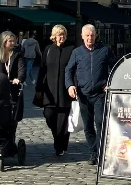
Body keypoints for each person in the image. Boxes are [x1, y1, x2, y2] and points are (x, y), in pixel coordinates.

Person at [65, 24, 112, 166]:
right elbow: (68, 70)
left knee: (100, 122)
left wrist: (110, 82)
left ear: (95, 35)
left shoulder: (104, 50)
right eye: (87, 35)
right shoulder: (77, 52)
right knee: (88, 125)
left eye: (92, 35)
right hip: (84, 95)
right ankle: (93, 152)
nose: (89, 38)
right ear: (82, 36)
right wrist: (70, 85)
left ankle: (100, 151)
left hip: (100, 94)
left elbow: (115, 66)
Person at [35, 24, 75, 156]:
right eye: (59, 34)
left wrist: (74, 86)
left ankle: (60, 146)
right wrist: (39, 88)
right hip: (49, 92)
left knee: (63, 123)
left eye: (63, 34)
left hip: (64, 92)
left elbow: (75, 70)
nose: (61, 37)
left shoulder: (71, 49)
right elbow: (42, 70)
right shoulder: (48, 49)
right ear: (54, 36)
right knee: (49, 116)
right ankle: (57, 138)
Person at [0, 30, 26, 122]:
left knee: (14, 115)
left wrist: (19, 79)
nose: (13, 43)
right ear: (4, 42)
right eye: (10, 41)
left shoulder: (17, 55)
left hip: (13, 87)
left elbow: (22, 70)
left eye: (14, 41)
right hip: (0, 88)